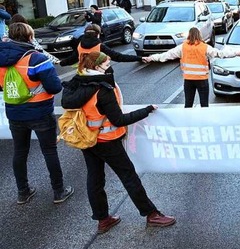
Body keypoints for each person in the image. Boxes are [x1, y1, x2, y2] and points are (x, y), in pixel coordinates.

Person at [61, 51, 176, 234]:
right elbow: (119, 120)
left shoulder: (76, 83)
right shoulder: (103, 90)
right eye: (106, 65)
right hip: (107, 141)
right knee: (129, 176)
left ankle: (103, 219)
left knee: (95, 179)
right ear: (96, 67)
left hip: (87, 139)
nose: (110, 68)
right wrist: (146, 110)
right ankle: (151, 214)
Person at [0, 23, 74, 205]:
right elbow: (55, 87)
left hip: (14, 113)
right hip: (40, 112)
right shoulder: (36, 58)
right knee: (49, 151)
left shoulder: (1, 59)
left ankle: (23, 192)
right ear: (29, 37)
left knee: (19, 152)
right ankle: (59, 191)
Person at [143, 27, 236, 107]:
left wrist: (151, 58)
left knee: (188, 104)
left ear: (189, 35)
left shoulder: (182, 47)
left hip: (188, 80)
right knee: (204, 105)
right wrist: (237, 53)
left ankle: (188, 123)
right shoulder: (205, 47)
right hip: (202, 80)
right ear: (199, 35)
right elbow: (220, 54)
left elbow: (167, 55)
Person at [59, 24, 142, 67]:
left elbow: (71, 59)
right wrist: (140, 58)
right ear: (98, 34)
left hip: (82, 75)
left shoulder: (80, 45)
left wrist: (61, 63)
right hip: (98, 75)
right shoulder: (100, 46)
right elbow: (119, 57)